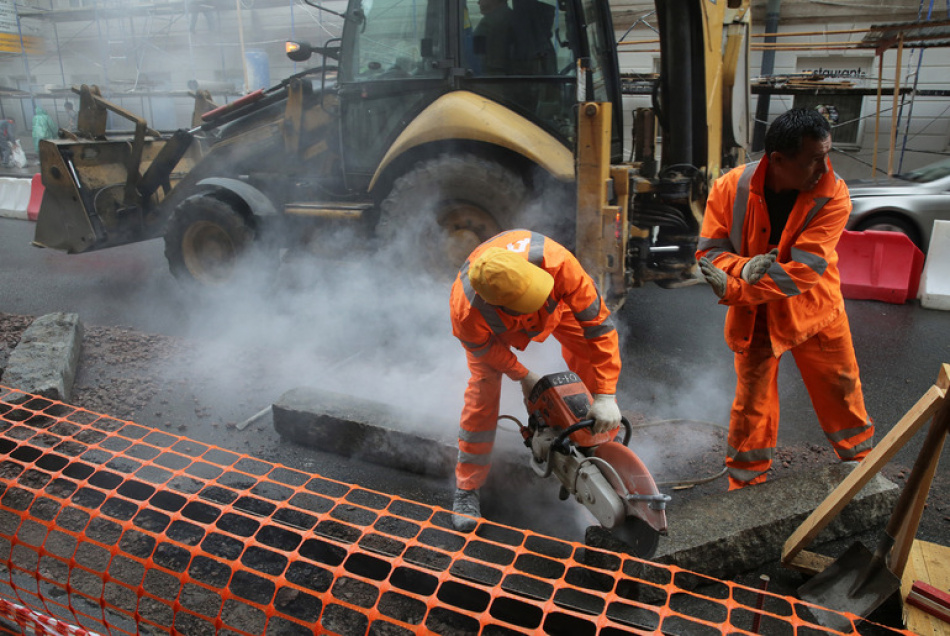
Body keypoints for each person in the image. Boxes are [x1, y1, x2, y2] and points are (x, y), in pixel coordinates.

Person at [696, 108, 874, 491]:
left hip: (816, 312)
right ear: (777, 160)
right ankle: (746, 486)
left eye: (827, 154)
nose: (825, 167)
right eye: (814, 158)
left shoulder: (833, 192)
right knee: (751, 408)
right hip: (757, 317)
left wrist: (736, 286)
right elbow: (709, 253)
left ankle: (862, 469)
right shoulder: (729, 188)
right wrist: (743, 267)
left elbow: (804, 272)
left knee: (841, 392)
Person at [449, 229, 622, 530]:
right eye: (529, 301)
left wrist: (607, 396)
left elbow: (599, 326)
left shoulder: (558, 264)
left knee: (590, 355)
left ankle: (599, 442)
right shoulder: (466, 313)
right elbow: (485, 349)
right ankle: (467, 488)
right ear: (499, 306)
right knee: (483, 394)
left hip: (558, 308)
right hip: (497, 336)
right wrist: (523, 375)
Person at [473, 0, 513, 75]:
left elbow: (477, 57)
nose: (478, 3)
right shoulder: (515, 18)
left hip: (493, 79)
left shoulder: (487, 24)